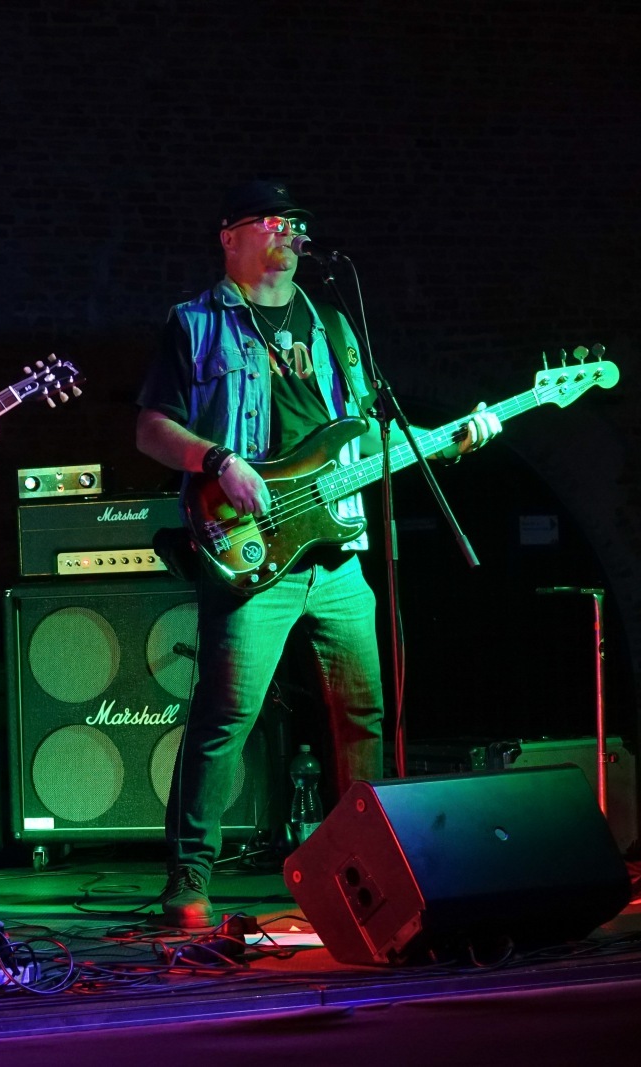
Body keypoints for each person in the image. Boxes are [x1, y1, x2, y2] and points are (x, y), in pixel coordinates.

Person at [135, 180, 501, 928]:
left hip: (337, 550)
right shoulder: (195, 323)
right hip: (250, 548)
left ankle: (364, 876)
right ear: (230, 236)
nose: (290, 231)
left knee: (362, 716)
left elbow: (363, 433)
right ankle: (189, 879)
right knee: (225, 719)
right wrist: (218, 461)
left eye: (296, 222)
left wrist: (446, 442)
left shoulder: (333, 323)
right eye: (272, 220)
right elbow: (150, 429)